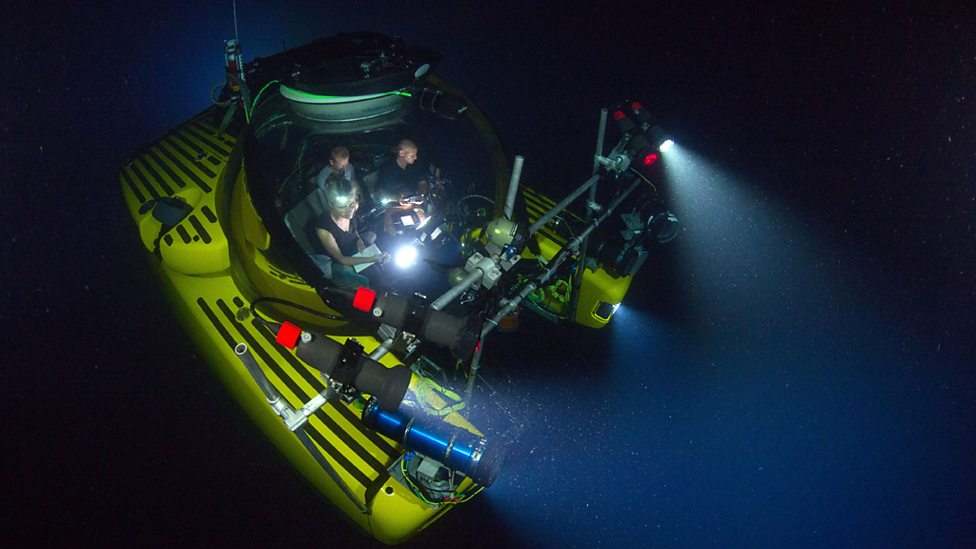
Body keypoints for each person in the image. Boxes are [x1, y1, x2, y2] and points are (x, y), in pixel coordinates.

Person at [312, 174, 388, 289]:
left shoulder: (350, 211)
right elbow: (341, 259)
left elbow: (354, 230)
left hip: (355, 249)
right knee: (371, 278)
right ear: (331, 204)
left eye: (352, 203)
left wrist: (358, 240)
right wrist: (371, 259)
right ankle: (365, 300)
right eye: (342, 207)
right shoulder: (324, 229)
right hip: (342, 261)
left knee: (383, 264)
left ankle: (381, 290)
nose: (350, 210)